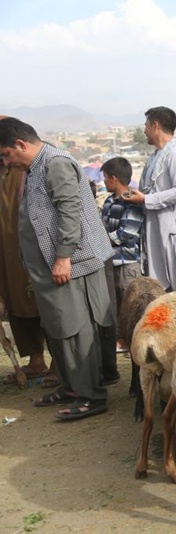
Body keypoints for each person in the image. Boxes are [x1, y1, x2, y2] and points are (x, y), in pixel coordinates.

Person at [0, 117, 114, 419]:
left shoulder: (55, 164)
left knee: (76, 331)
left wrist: (63, 257)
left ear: (20, 144)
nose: (6, 163)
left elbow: (69, 211)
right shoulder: (35, 167)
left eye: (6, 155)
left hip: (71, 265)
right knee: (59, 330)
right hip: (52, 270)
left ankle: (91, 396)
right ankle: (72, 387)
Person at [0, 133, 58, 388]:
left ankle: (59, 364)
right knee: (15, 304)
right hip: (6, 252)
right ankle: (36, 361)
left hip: (33, 250)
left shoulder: (29, 167)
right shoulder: (5, 169)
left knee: (43, 304)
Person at [124, 107, 176, 291]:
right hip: (155, 227)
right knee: (160, 288)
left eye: (146, 125)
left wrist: (146, 199)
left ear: (155, 126)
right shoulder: (155, 157)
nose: (144, 131)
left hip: (173, 230)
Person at [100, 156, 144, 333]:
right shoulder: (109, 201)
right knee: (114, 308)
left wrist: (101, 241)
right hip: (110, 262)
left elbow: (127, 233)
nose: (104, 181)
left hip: (127, 264)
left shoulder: (132, 201)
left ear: (114, 178)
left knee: (131, 307)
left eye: (105, 177)